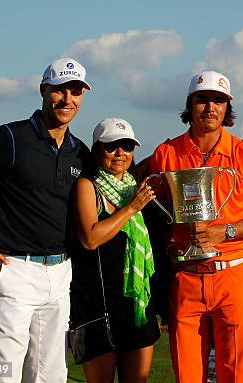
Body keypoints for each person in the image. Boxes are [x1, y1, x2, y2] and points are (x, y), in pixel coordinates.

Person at [0, 58, 92, 382]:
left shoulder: (79, 151)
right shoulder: (11, 137)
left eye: (76, 92)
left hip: (60, 271)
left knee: (51, 371)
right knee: (4, 368)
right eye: (60, 90)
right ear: (43, 90)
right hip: (14, 268)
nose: (67, 99)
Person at [143, 70, 243, 382]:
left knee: (237, 375)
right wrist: (170, 243)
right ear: (190, 105)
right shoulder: (167, 153)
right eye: (202, 99)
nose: (210, 107)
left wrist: (226, 231)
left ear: (227, 108)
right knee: (187, 374)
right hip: (187, 276)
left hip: (234, 273)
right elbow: (157, 211)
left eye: (218, 100)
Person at [70, 118, 161, 382]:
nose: (120, 153)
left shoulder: (137, 187)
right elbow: (90, 238)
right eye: (112, 147)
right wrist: (132, 208)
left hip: (136, 304)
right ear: (97, 150)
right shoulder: (88, 186)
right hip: (97, 307)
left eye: (127, 146)